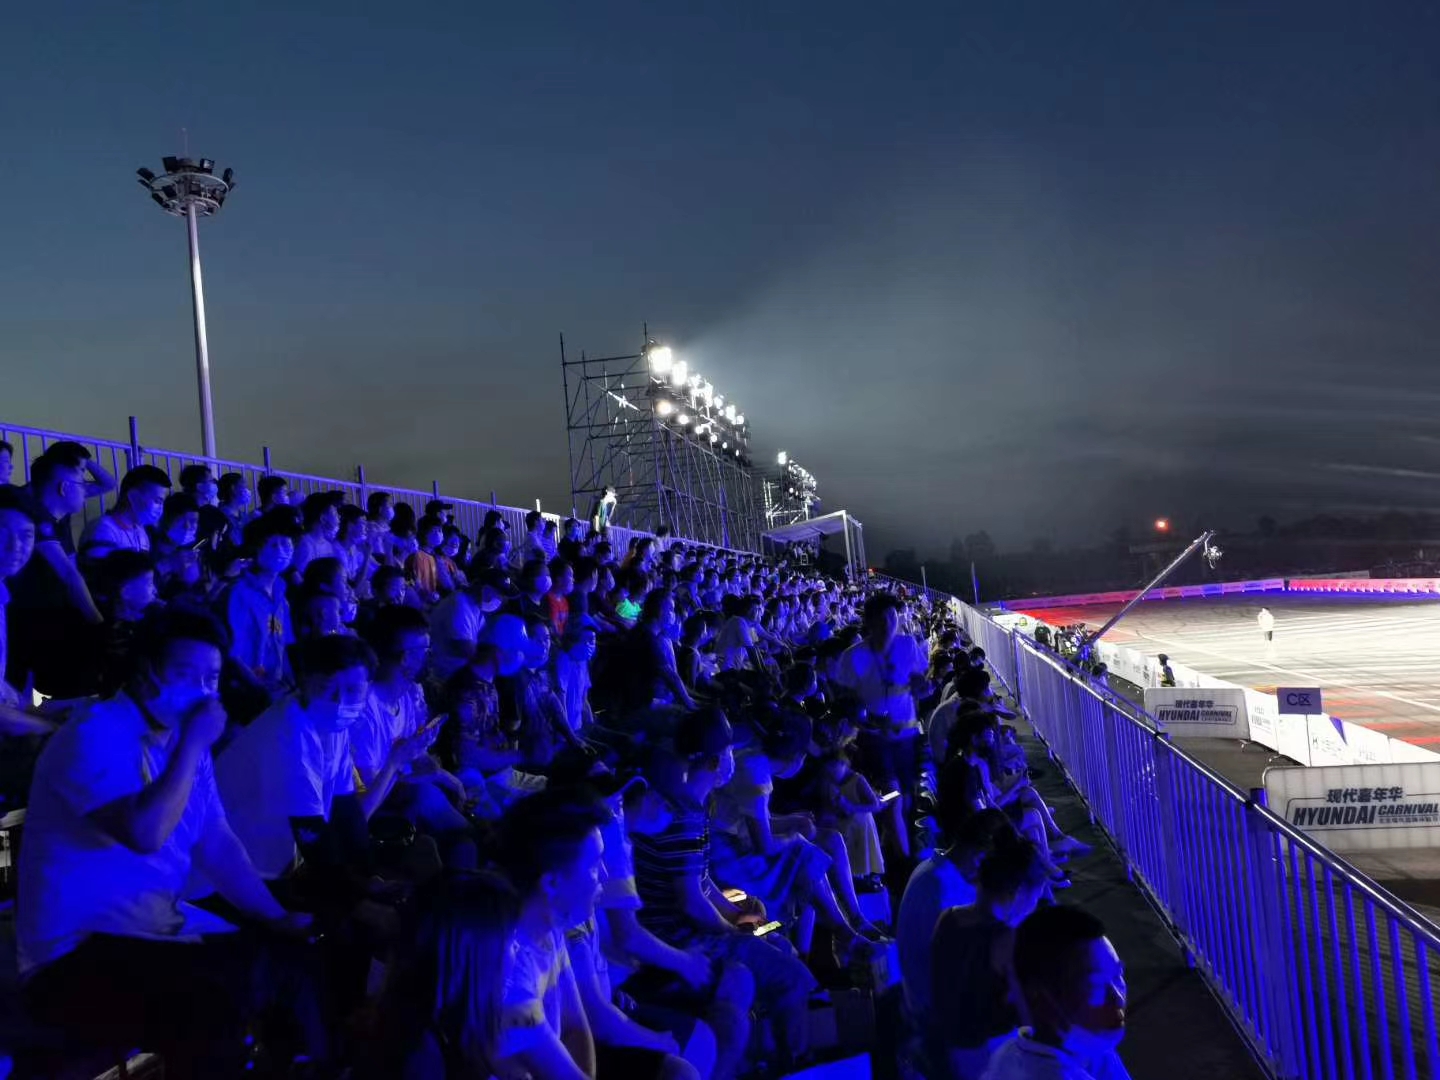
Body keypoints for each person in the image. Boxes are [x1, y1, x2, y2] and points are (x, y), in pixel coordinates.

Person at [17, 609, 311, 1078]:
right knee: (213, 1002)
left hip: (155, 926)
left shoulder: (181, 740)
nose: (202, 689)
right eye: (185, 674)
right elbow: (144, 833)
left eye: (211, 678)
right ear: (145, 671)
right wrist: (192, 746)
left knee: (288, 956)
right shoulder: (95, 733)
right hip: (76, 946)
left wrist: (276, 917)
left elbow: (216, 843)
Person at [632, 709, 817, 1069]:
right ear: (715, 762)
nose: (733, 758)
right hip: (678, 938)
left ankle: (770, 1055)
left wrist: (736, 913)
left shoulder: (691, 802)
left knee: (778, 941)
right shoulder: (681, 813)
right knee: (793, 978)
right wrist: (732, 930)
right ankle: (794, 1065)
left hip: (689, 928)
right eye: (729, 751)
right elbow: (690, 902)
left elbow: (701, 881)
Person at [493, 788, 607, 1080]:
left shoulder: (549, 923)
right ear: (552, 883)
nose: (604, 875)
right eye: (595, 866)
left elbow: (575, 1027)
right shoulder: (509, 968)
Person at [362, 870, 521, 1080]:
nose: (518, 949)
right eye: (510, 940)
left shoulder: (449, 1027)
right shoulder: (421, 1056)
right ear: (474, 953)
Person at [929, 835, 1052, 1079]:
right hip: (986, 1059)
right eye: (1036, 897)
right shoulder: (1006, 940)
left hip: (946, 1049)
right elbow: (1030, 1021)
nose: (1034, 906)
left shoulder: (947, 918)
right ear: (1019, 891)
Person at [896, 768, 1009, 1029]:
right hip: (932, 1012)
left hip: (919, 996)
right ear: (980, 857)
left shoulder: (932, 870)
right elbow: (962, 974)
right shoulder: (949, 892)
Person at [981, 906, 1130, 1080]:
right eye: (1095, 984)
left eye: (1117, 975)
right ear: (1039, 996)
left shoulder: (1010, 1051)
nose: (1118, 998)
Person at [6, 451, 104, 697]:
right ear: (63, 487)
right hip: (28, 621)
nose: (86, 490)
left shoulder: (58, 522)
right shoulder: (34, 519)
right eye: (81, 482)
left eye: (25, 537)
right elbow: (69, 575)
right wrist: (99, 624)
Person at [223, 510, 300, 696]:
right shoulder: (240, 592)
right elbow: (234, 652)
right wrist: (258, 688)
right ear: (255, 551)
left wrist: (291, 682)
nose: (281, 551)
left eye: (286, 544)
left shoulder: (280, 593)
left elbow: (282, 641)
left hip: (276, 685)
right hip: (248, 689)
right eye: (273, 545)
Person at [429, 568, 518, 681]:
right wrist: (504, 658)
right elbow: (469, 652)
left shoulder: (476, 608)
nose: (501, 601)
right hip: (442, 676)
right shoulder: (460, 606)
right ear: (486, 590)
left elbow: (482, 641)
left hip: (456, 674)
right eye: (499, 595)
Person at [78, 463, 170, 564]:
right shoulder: (104, 530)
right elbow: (99, 572)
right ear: (134, 496)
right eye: (157, 501)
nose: (160, 508)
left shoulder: (140, 533)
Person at [293, 492, 343, 580]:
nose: (339, 517)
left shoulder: (328, 545)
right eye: (335, 513)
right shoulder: (305, 545)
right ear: (322, 518)